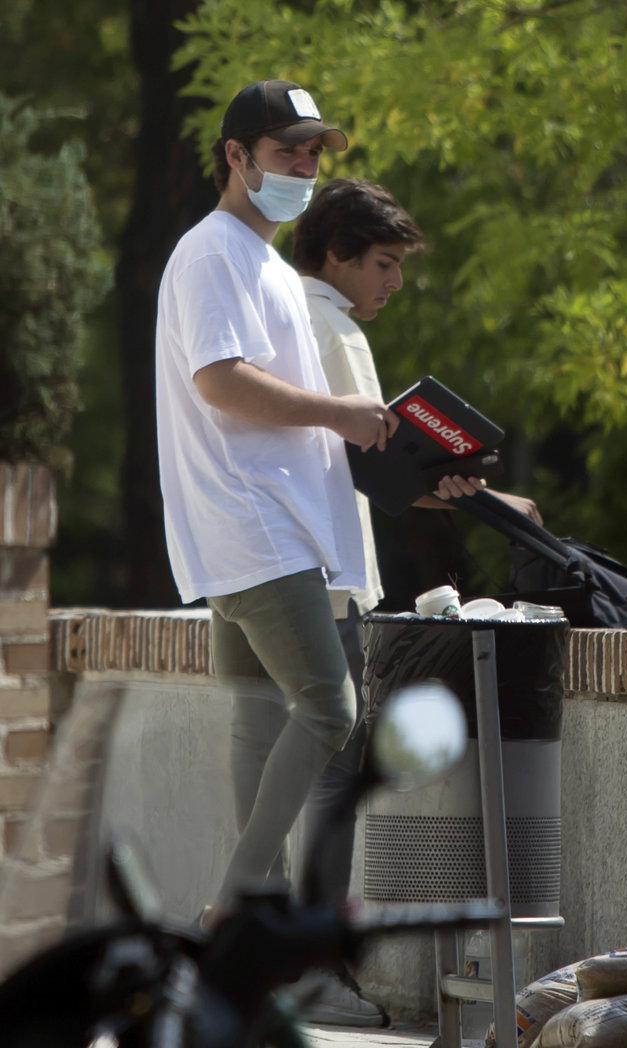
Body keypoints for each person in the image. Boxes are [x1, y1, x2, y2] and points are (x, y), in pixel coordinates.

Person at [155, 82, 474, 935]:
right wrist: (341, 412)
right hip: (258, 525)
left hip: (255, 529)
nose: (303, 167)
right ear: (237, 156)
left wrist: (416, 471)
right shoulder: (214, 253)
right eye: (286, 150)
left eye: (312, 153)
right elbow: (219, 382)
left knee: (261, 723)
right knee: (331, 710)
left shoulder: (259, 261)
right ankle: (238, 906)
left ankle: (252, 942)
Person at [287, 178, 543, 1025]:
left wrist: (456, 488)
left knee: (304, 768)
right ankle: (312, 971)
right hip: (325, 575)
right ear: (337, 254)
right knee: (334, 770)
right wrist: (476, 494)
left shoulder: (286, 313)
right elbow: (373, 459)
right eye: (384, 263)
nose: (395, 282)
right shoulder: (331, 327)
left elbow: (359, 463)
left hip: (293, 568)